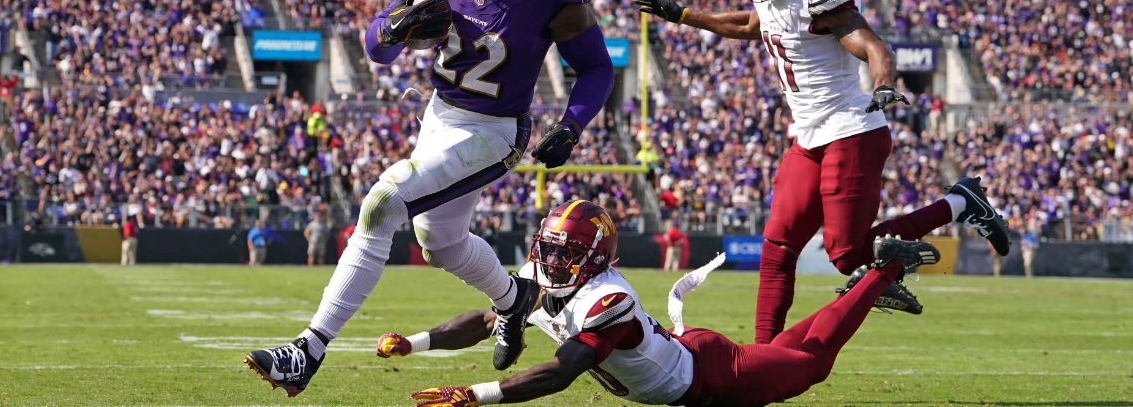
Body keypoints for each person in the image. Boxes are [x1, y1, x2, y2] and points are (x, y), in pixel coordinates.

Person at [244, 0, 615, 397]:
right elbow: (377, 49)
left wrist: (571, 125)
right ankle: (515, 301)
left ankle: (308, 349)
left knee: (382, 205)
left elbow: (597, 66)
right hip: (440, 114)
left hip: (494, 129)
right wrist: (394, 26)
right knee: (439, 240)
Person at [636, 0, 1010, 343]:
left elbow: (872, 45)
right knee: (776, 245)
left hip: (852, 130)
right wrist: (682, 14)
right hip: (810, 134)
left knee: (847, 253)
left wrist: (884, 84)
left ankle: (961, 203)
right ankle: (763, 355)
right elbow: (748, 24)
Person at [378, 200, 942, 407]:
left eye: (564, 252)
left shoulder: (609, 299)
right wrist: (417, 342)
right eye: (548, 250)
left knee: (811, 365)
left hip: (711, 376)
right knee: (795, 351)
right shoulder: (543, 278)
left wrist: (477, 396)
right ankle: (861, 292)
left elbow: (563, 371)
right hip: (685, 357)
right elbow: (485, 320)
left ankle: (886, 267)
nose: (549, 263)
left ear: (595, 258)